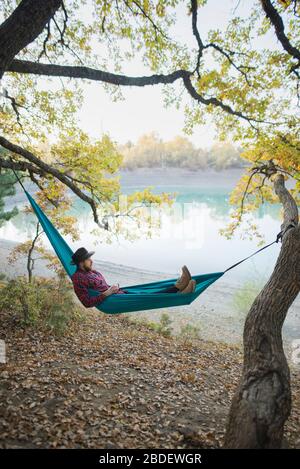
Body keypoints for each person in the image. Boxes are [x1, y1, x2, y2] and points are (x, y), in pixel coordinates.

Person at [71, 247, 196, 308]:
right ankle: (181, 293)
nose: (91, 261)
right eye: (88, 259)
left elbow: (103, 286)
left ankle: (179, 285)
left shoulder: (93, 272)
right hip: (113, 301)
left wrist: (112, 288)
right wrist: (107, 293)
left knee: (150, 291)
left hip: (119, 293)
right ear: (81, 262)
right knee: (151, 297)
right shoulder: (78, 278)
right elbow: (86, 302)